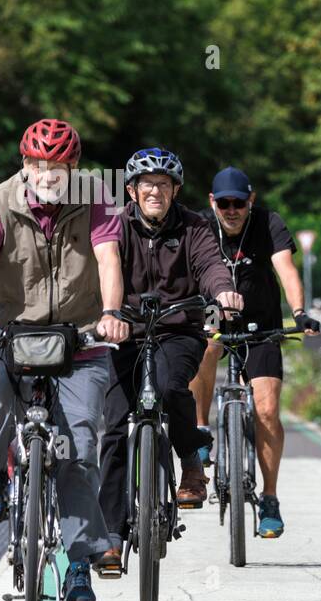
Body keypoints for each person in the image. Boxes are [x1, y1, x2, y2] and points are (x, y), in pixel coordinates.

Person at [0, 117, 130, 601]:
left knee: (78, 449)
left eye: (56, 165)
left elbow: (109, 260)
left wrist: (112, 314)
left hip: (83, 337)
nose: (45, 173)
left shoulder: (98, 199)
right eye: (36, 163)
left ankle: (78, 567)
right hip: (16, 331)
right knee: (2, 401)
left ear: (73, 167)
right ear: (24, 164)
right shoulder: (0, 203)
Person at [96, 147, 242, 577]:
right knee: (113, 425)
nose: (155, 191)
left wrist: (223, 292)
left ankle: (191, 461)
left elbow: (211, 266)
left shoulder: (195, 226)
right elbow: (99, 271)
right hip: (125, 333)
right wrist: (104, 315)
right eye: (147, 184)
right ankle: (111, 536)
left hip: (178, 331)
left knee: (169, 387)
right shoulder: (115, 226)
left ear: (175, 189)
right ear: (132, 191)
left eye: (163, 184)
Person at [188, 166, 314, 538]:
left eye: (238, 203)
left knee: (268, 409)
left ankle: (270, 498)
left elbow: (286, 270)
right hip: (213, 313)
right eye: (223, 203)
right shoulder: (200, 228)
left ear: (250, 201)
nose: (231, 210)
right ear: (212, 202)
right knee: (205, 345)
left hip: (260, 324)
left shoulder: (268, 223)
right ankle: (200, 431)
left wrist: (301, 312)